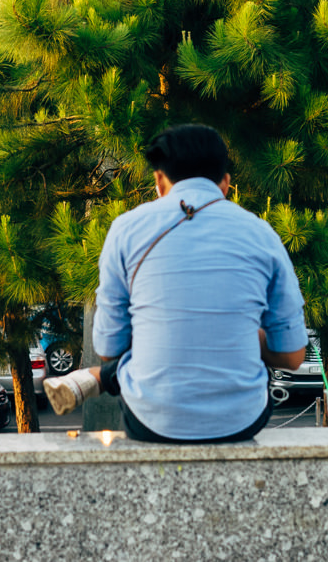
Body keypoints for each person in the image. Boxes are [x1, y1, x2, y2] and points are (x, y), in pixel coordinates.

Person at [91, 124, 307, 445]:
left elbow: (109, 350)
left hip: (150, 420)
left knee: (119, 367)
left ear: (159, 181)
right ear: (226, 184)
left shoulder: (125, 229)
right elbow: (292, 356)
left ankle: (96, 380)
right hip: (241, 420)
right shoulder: (262, 234)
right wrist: (238, 333)